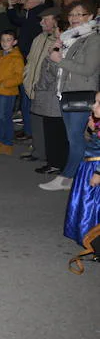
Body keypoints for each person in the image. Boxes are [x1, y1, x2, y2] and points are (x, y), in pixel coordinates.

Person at [40, 0, 100, 191]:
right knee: (74, 137)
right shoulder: (70, 37)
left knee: (76, 138)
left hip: (81, 93)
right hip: (66, 92)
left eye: (79, 14)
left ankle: (67, 176)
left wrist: (60, 60)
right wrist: (56, 51)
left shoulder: (93, 39)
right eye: (72, 14)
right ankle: (78, 176)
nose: (74, 18)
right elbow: (58, 65)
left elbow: (88, 69)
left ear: (90, 17)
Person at [21, 7, 60, 163]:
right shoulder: (39, 38)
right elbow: (30, 61)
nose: (42, 22)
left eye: (46, 19)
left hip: (45, 90)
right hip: (31, 87)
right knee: (35, 122)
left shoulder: (57, 41)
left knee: (47, 125)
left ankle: (49, 156)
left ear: (56, 21)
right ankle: (38, 151)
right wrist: (26, 78)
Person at [63, 92, 100, 246]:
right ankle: (85, 233)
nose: (93, 106)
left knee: (93, 204)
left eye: (98, 103)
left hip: (96, 166)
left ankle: (94, 238)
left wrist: (98, 173)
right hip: (88, 165)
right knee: (83, 201)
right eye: (95, 101)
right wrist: (93, 128)